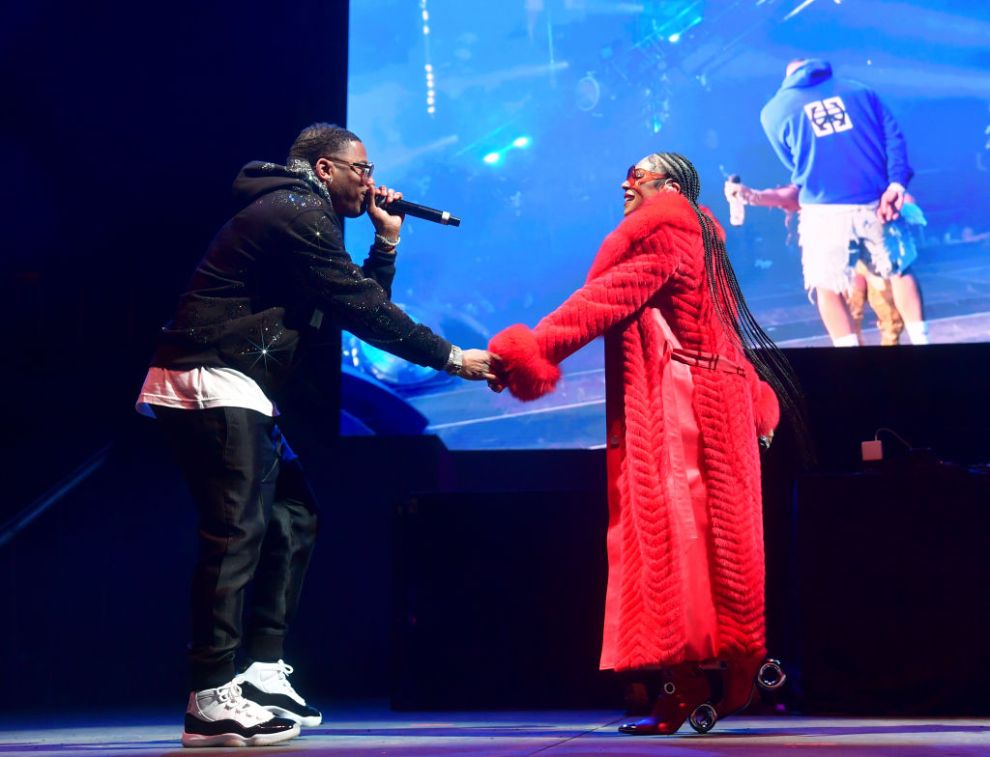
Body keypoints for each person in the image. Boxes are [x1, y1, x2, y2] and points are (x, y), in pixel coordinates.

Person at [136, 123, 494, 748]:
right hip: (211, 374)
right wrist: (452, 357)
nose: (372, 180)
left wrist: (385, 246)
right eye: (362, 167)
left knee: (294, 515)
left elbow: (342, 311)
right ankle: (210, 696)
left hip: (238, 382)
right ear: (325, 169)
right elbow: (362, 309)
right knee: (237, 531)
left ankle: (262, 671)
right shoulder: (296, 211)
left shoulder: (305, 218)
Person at [488, 152, 800, 735]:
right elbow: (723, 326)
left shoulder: (666, 234)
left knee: (666, 548)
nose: (625, 183)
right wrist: (757, 394)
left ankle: (687, 688)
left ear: (672, 188)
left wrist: (527, 351)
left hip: (686, 412)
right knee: (715, 552)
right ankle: (732, 673)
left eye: (640, 175)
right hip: (721, 402)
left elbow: (603, 302)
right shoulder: (702, 239)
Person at [759, 58, 929, 346]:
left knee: (828, 287)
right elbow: (894, 139)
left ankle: (850, 358)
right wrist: (897, 184)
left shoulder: (774, 111)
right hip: (876, 203)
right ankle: (925, 345)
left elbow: (794, 165)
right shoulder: (859, 91)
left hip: (824, 212)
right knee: (899, 271)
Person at [724, 180, 931, 345]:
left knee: (890, 317)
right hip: (840, 244)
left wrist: (899, 197)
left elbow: (897, 188)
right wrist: (752, 195)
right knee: (850, 305)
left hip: (873, 237)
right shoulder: (818, 165)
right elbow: (797, 192)